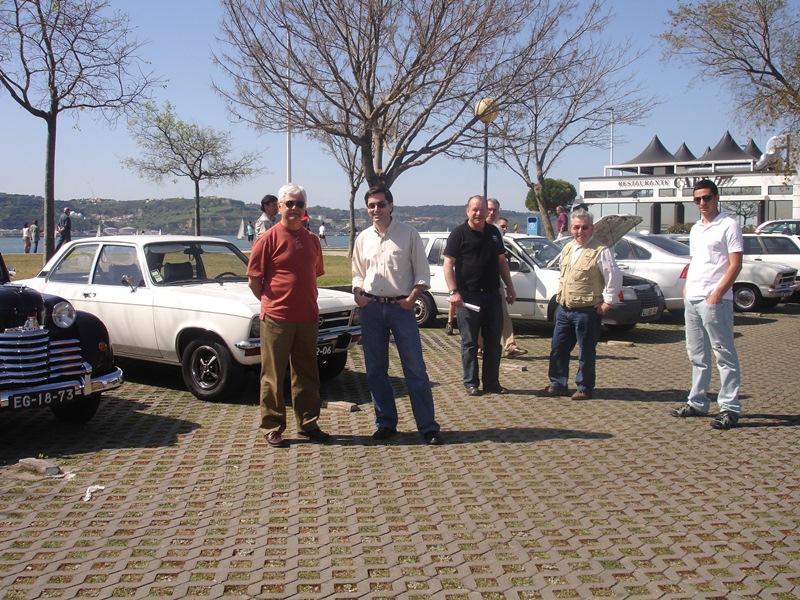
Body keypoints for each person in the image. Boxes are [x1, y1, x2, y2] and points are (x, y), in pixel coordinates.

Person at [352, 185, 443, 445]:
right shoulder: (363, 238)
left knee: (415, 369)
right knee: (375, 370)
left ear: (391, 205)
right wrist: (358, 294)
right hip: (371, 309)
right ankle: (385, 424)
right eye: (371, 205)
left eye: (381, 204)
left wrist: (411, 299)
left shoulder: (409, 234)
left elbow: (422, 274)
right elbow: (358, 273)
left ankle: (428, 427)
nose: (376, 209)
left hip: (401, 310)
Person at [246, 183, 333, 448]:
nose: (295, 208)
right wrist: (271, 302)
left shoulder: (312, 240)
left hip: (307, 317)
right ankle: (272, 426)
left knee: (307, 373)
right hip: (277, 319)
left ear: (305, 208)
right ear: (280, 206)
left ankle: (308, 423)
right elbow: (254, 280)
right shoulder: (267, 239)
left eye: (300, 204)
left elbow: (313, 274)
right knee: (272, 375)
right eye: (290, 203)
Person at [671, 179, 743, 430]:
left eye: (706, 198)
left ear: (716, 198)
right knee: (697, 355)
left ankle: (730, 408)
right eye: (697, 199)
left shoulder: (729, 225)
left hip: (715, 301)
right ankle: (697, 402)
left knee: (724, 354)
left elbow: (735, 264)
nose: (702, 203)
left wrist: (717, 293)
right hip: (693, 299)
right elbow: (696, 261)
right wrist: (687, 288)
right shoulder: (695, 229)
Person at [539, 209, 621, 400]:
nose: (580, 232)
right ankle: (558, 384)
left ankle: (584, 387)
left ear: (591, 229)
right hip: (564, 309)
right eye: (576, 227)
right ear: (571, 228)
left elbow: (614, 277)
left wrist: (607, 302)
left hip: (587, 311)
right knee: (558, 349)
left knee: (586, 351)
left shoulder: (601, 251)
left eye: (584, 228)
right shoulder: (568, 248)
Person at [443, 195, 516, 397]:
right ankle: (471, 382)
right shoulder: (458, 234)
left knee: (493, 342)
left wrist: (510, 287)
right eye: (474, 209)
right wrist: (453, 291)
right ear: (467, 211)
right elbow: (448, 264)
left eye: (482, 209)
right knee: (470, 343)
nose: (479, 213)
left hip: (492, 295)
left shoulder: (493, 232)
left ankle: (492, 383)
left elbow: (502, 262)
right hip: (468, 297)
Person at [485, 199, 527, 359]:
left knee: (502, 313)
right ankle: (480, 348)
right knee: (480, 316)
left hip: (495, 280)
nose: (491, 213)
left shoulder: (497, 231)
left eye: (495, 210)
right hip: (476, 283)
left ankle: (510, 346)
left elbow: (501, 260)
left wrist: (510, 286)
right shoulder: (472, 228)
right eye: (489, 209)